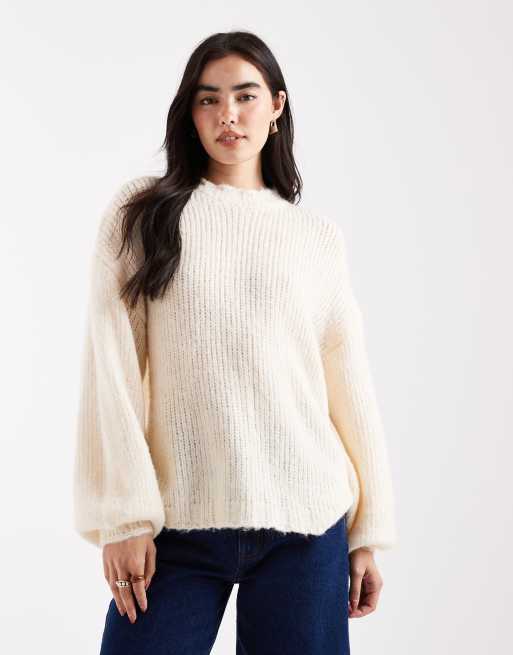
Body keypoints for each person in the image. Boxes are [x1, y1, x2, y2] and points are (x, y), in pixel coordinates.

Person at [73, 30, 398, 655]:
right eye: (208, 99)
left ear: (276, 106)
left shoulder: (315, 238)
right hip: (177, 525)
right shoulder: (144, 215)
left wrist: (367, 534)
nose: (227, 114)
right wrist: (123, 517)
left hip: (307, 522)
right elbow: (110, 367)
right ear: (189, 112)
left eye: (245, 96)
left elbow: (349, 384)